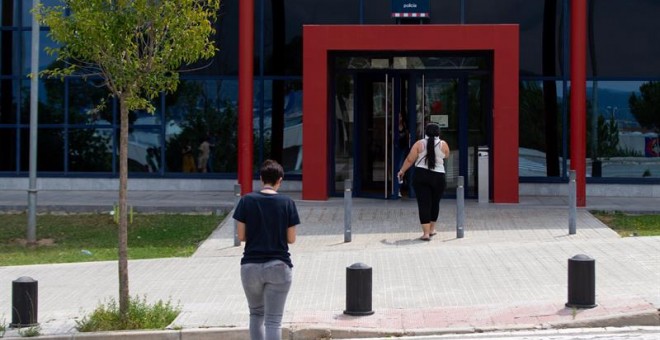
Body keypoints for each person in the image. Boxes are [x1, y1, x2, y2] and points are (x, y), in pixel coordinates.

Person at [233, 159, 300, 340]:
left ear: (261, 178)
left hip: (250, 267)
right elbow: (291, 239)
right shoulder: (288, 203)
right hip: (279, 266)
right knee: (273, 321)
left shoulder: (246, 200)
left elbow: (241, 236)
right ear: (280, 180)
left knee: (256, 314)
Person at [397, 123, 450, 241]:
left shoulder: (419, 144)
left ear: (425, 132)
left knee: (424, 204)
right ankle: (432, 230)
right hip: (438, 177)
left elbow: (410, 159)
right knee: (435, 203)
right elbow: (446, 156)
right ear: (438, 133)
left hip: (421, 176)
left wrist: (402, 171)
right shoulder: (443, 144)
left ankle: (426, 233)